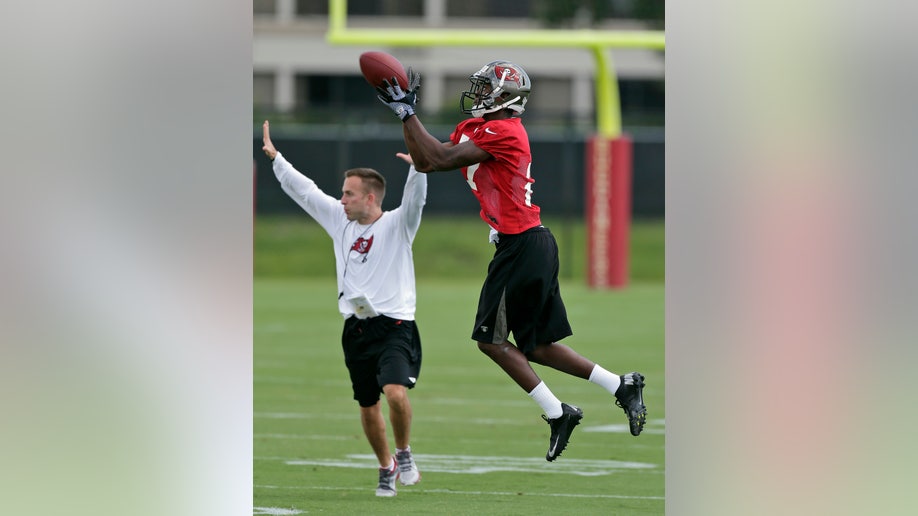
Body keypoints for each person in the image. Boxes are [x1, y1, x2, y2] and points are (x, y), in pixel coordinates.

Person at [375, 62, 647, 462]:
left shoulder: (505, 131)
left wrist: (407, 112)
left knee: (491, 341)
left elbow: (434, 159)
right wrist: (408, 119)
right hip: (528, 243)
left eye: (486, 87)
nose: (479, 93)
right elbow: (426, 158)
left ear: (507, 96)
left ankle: (559, 413)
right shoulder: (479, 128)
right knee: (535, 346)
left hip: (521, 244)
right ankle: (621, 385)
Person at [261, 120, 427, 497]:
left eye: (349, 194)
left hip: (396, 325)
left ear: (370, 197)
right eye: (342, 192)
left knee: (396, 393)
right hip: (355, 328)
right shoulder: (340, 221)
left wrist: (419, 167)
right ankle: (385, 467)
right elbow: (306, 192)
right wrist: (276, 158)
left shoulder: (399, 225)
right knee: (368, 405)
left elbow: (416, 198)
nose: (342, 199)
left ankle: (403, 453)